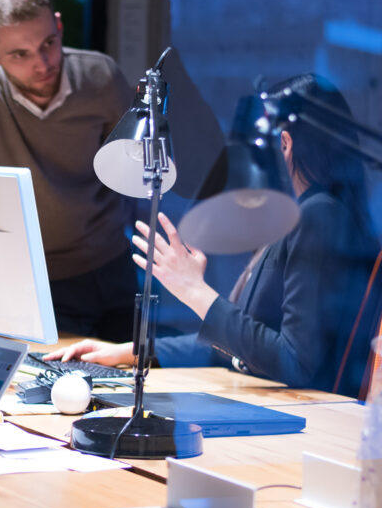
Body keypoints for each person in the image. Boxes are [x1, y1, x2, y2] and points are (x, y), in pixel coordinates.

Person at [46, 74, 379, 398]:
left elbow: (295, 363)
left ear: (285, 143)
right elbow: (233, 346)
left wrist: (196, 291)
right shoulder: (308, 213)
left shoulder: (319, 214)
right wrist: (128, 351)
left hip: (305, 414)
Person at [0, 0, 136, 342]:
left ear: (59, 26)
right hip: (33, 279)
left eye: (49, 43)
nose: (43, 63)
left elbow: (135, 168)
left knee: (133, 369)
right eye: (20, 54)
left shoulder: (101, 77)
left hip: (112, 264)